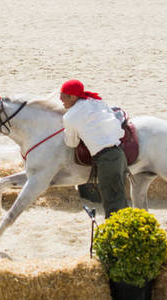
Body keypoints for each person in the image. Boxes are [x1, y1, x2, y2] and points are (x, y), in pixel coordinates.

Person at [60, 79, 128, 218]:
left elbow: (72, 143)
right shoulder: (96, 101)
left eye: (63, 96)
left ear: (73, 97)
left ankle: (115, 235)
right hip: (120, 154)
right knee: (119, 198)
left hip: (106, 159)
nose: (61, 100)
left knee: (112, 202)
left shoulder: (70, 116)